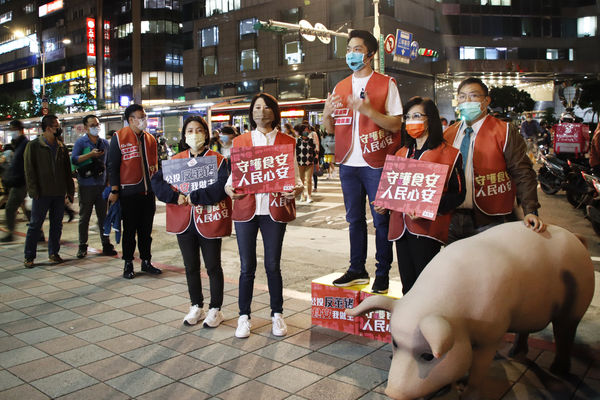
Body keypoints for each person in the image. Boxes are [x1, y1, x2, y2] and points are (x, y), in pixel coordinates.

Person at [322, 29, 403, 293]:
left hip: (377, 163)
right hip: (348, 162)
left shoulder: (385, 83)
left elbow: (396, 123)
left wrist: (368, 110)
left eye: (357, 49)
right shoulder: (340, 86)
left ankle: (382, 272)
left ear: (370, 54)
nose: (351, 54)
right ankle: (357, 269)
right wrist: (326, 114)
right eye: (349, 49)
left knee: (381, 221)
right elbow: (330, 129)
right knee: (353, 219)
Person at [224, 93, 303, 339]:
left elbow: (296, 178)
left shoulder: (287, 141)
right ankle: (243, 316)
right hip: (246, 209)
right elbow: (232, 179)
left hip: (273, 209)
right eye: (257, 107)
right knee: (247, 266)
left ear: (274, 112)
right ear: (251, 112)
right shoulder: (240, 141)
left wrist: (295, 190)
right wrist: (229, 189)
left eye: (267, 107)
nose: (261, 111)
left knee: (272, 265)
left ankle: (277, 314)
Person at [374, 97, 465, 294]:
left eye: (417, 116)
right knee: (407, 284)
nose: (411, 121)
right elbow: (394, 190)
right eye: (407, 117)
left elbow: (458, 194)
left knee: (425, 285)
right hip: (401, 228)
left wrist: (428, 207)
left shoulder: (449, 154)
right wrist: (384, 204)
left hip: (427, 230)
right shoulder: (401, 153)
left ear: (430, 119)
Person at [152, 116, 230, 327]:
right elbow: (157, 183)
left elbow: (222, 186)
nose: (194, 134)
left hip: (209, 218)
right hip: (184, 220)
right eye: (190, 130)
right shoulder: (176, 160)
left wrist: (196, 196)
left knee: (213, 266)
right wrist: (174, 196)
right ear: (184, 134)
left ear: (206, 133)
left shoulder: (219, 160)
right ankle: (196, 305)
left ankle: (216, 308)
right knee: (190, 266)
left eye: (198, 130)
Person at [444, 77, 543, 242]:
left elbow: (522, 172)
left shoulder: (504, 131)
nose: (467, 101)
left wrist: (530, 210)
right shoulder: (448, 134)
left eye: (474, 96)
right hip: (451, 218)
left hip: (489, 218)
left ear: (486, 100)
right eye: (462, 97)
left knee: (488, 266)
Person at [107, 104, 162, 279]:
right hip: (128, 194)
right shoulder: (119, 138)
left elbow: (156, 164)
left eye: (145, 116)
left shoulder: (150, 139)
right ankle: (128, 263)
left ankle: (146, 261)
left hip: (148, 193)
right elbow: (112, 166)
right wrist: (115, 190)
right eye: (141, 117)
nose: (144, 120)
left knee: (146, 231)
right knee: (129, 231)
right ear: (131, 119)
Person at [23, 115, 75, 268]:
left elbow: (67, 171)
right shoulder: (33, 146)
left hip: (58, 193)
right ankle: (29, 256)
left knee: (56, 224)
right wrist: (33, 190)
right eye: (56, 126)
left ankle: (54, 253)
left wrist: (69, 190)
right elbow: (29, 170)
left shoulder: (61, 147)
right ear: (47, 128)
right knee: (35, 225)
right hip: (41, 193)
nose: (58, 129)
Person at [71, 115, 117, 258]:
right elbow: (74, 159)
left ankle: (106, 244)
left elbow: (110, 163)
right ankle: (82, 245)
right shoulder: (81, 142)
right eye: (92, 125)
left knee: (103, 216)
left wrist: (109, 182)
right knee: (84, 217)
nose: (95, 127)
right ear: (85, 127)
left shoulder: (104, 143)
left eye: (97, 124)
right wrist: (90, 155)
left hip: (102, 185)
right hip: (86, 185)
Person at [1, 121, 29, 242]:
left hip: (21, 182)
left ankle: (11, 233)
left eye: (14, 129)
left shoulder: (25, 144)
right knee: (27, 209)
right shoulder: (18, 144)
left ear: (21, 129)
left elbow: (25, 164)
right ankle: (38, 231)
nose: (12, 131)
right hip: (18, 181)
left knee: (10, 207)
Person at [295, 123, 317, 203]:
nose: (307, 131)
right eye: (305, 130)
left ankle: (309, 196)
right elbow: (295, 152)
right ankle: (302, 195)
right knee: (301, 180)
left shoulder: (311, 140)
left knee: (309, 180)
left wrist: (316, 163)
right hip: (300, 163)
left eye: (307, 130)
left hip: (309, 162)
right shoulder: (297, 140)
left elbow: (314, 152)